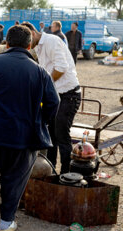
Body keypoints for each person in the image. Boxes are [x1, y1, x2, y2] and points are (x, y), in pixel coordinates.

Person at [0, 25, 59, 231]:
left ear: (7, 43)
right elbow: (54, 102)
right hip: (23, 139)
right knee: (14, 180)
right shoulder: (40, 71)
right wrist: (38, 120)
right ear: (29, 45)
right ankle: (7, 222)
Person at [22, 22, 81, 174]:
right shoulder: (38, 46)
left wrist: (44, 85)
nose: (28, 46)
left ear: (33, 34)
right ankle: (52, 172)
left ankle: (66, 175)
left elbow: (61, 67)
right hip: (56, 94)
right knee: (51, 137)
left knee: (62, 136)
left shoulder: (52, 41)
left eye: (28, 42)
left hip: (69, 95)